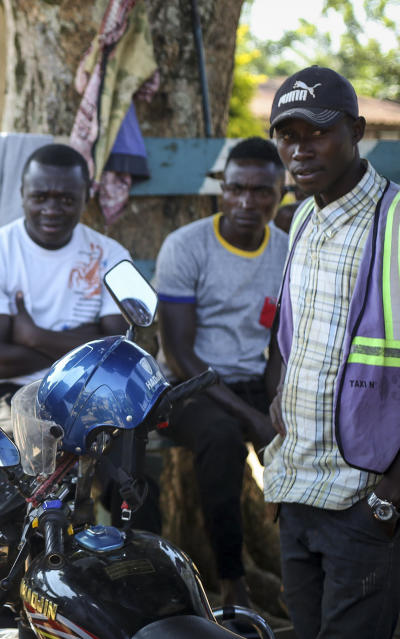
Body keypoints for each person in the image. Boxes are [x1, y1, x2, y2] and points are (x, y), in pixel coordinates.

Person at [264, 66, 400, 638]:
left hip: (364, 496)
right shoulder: (302, 220)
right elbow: (298, 339)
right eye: (288, 135)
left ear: (358, 130)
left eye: (316, 132)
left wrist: (391, 494)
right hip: (297, 485)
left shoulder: (393, 220)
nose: (299, 149)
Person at [153, 137, 288, 608]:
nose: (246, 202)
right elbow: (179, 352)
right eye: (236, 190)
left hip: (254, 380)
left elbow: (277, 346)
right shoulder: (187, 246)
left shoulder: (287, 252)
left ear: (281, 194)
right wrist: (252, 420)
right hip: (187, 384)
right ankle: (232, 581)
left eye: (261, 192)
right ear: (222, 190)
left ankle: (304, 570)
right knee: (224, 437)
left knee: (305, 436)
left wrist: (276, 406)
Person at [0, 143, 129, 429]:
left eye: (66, 199)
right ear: (22, 195)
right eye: (40, 197)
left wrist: (34, 336)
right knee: (15, 446)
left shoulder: (111, 255)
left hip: (94, 389)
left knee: (121, 447)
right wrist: (91, 341)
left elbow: (117, 349)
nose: (52, 210)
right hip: (11, 392)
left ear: (86, 197)